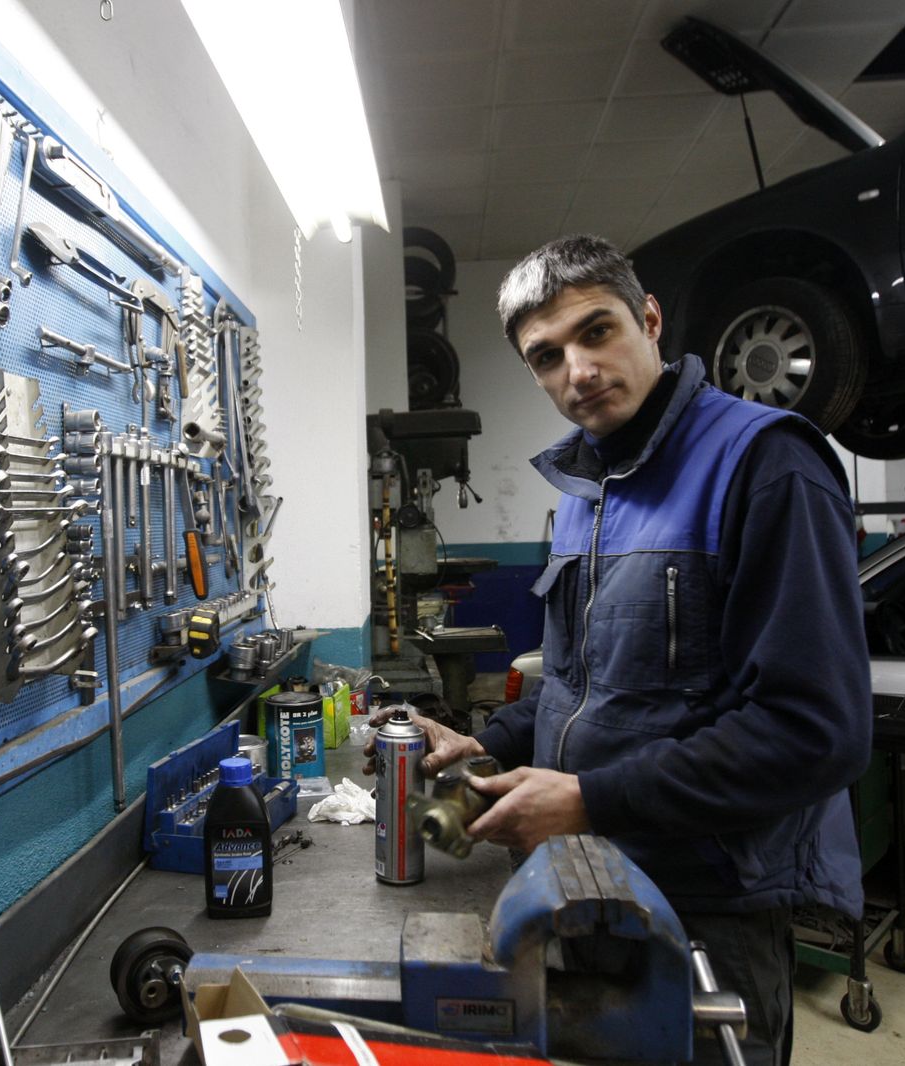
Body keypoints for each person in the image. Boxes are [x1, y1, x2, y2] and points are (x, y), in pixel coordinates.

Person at [367, 234, 872, 1065]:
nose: (579, 371)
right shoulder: (587, 494)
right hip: (587, 884)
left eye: (596, 332)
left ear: (649, 320)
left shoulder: (766, 465)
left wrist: (590, 799)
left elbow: (814, 730)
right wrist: (484, 743)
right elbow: (580, 689)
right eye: (547, 356)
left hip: (710, 909)